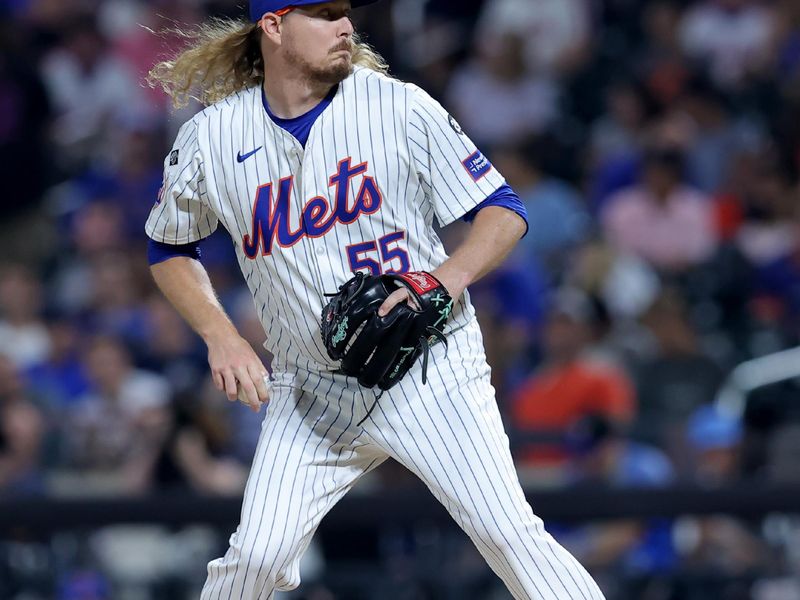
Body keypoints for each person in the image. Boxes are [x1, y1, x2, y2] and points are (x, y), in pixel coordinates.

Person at [145, 1, 605, 598]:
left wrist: (447, 276)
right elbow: (168, 247)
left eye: (345, 12)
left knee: (508, 534)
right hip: (313, 389)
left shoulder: (398, 105)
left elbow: (502, 210)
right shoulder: (212, 136)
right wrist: (221, 334)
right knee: (254, 559)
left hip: (430, 368)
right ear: (274, 26)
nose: (345, 26)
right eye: (323, 13)